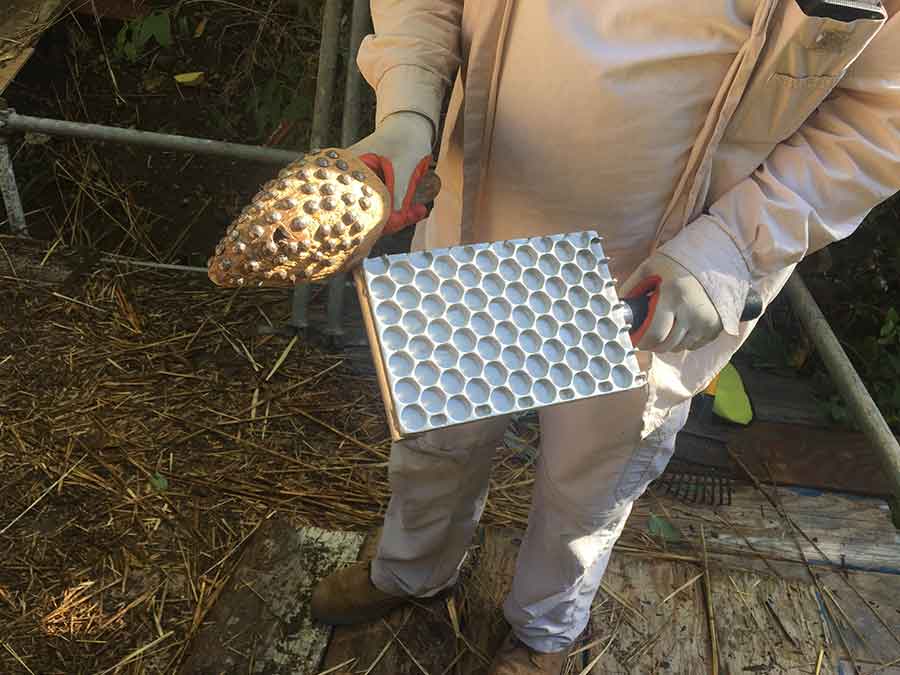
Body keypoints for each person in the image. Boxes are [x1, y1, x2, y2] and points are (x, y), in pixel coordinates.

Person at [311, 1, 900, 672]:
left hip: (660, 266)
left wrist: (732, 248)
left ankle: (545, 629)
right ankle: (410, 568)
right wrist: (410, 107)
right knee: (436, 437)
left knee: (591, 481)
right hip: (477, 202)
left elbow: (879, 117)